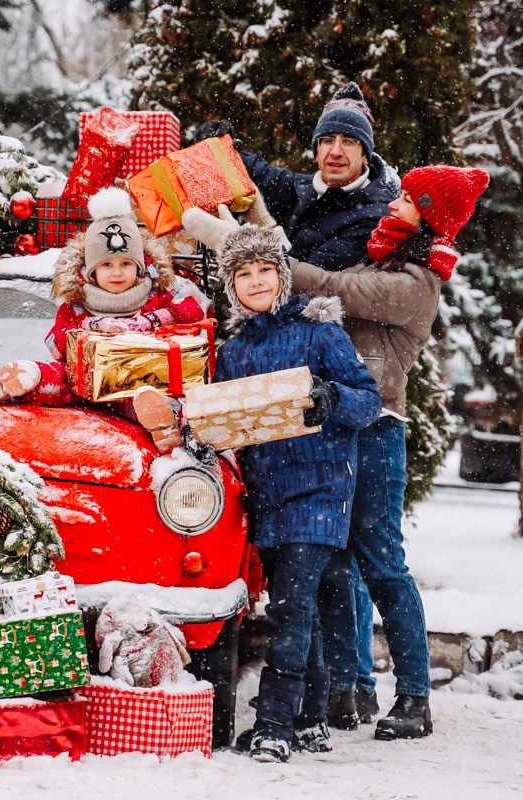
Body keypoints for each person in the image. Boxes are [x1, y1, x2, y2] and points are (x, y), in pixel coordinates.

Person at [187, 164, 490, 740]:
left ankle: (415, 696)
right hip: (323, 430)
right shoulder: (377, 259)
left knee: (380, 564)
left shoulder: (413, 282)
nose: (395, 200)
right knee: (332, 566)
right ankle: (346, 690)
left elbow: (327, 288)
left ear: (430, 215)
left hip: (373, 427)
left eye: (409, 197)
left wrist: (240, 247)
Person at [212, 223, 382, 763]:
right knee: (294, 603)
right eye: (245, 273)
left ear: (283, 276)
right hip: (268, 493)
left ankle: (274, 724)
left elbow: (368, 398)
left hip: (321, 485)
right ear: (231, 284)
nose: (257, 280)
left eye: (266, 270)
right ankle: (311, 718)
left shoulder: (318, 332)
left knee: (291, 606)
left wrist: (334, 398)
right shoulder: (233, 350)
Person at [0, 186, 206, 453]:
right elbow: (56, 340)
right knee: (61, 379)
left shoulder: (157, 295)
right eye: (107, 265)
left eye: (126, 264)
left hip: (137, 377)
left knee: (138, 396)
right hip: (84, 379)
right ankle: (22, 380)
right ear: (91, 271)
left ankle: (162, 419)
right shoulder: (79, 303)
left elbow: (192, 310)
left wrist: (152, 321)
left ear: (140, 266)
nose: (117, 273)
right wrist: (88, 328)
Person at [195, 81, 400, 272]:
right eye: (327, 140)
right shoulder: (301, 188)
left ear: (365, 155)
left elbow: (310, 278)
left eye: (349, 142)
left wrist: (244, 239)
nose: (336, 151)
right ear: (317, 152)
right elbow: (256, 171)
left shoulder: (373, 217)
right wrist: (218, 145)